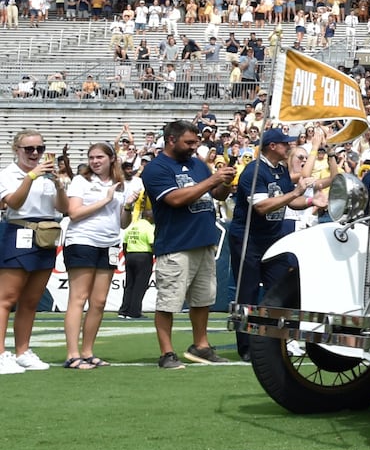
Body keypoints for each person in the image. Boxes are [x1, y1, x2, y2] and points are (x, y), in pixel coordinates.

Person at [143, 118, 236, 368]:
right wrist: (212, 180)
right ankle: (167, 352)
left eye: (196, 142)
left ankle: (201, 345)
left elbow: (217, 195)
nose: (195, 146)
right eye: (189, 142)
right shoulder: (156, 168)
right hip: (176, 243)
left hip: (203, 241)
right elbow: (175, 199)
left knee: (203, 299)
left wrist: (225, 182)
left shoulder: (197, 164)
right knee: (169, 302)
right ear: (171, 140)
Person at [228, 127, 315, 361]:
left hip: (272, 238)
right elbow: (262, 206)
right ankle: (246, 346)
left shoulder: (279, 169)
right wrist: (296, 192)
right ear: (272, 146)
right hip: (249, 238)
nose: (289, 147)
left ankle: (279, 340)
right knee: (247, 291)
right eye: (285, 144)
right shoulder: (253, 171)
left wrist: (309, 200)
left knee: (281, 287)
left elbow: (291, 201)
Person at [60, 142, 136, 369]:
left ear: (112, 159)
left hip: (110, 244)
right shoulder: (81, 181)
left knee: (99, 301)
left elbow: (123, 223)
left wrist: (129, 206)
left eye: (100, 157)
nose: (95, 161)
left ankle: (88, 351)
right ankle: (73, 354)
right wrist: (105, 199)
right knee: (78, 298)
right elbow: (73, 213)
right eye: (91, 157)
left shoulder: (119, 185)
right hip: (82, 241)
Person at [0, 130, 69, 374]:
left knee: (31, 301)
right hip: (19, 231)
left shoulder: (48, 175)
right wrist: (30, 176)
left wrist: (59, 185)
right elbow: (14, 203)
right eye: (29, 149)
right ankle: (0, 353)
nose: (35, 153)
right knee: (6, 298)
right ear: (16, 150)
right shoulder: (8, 174)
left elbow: (64, 208)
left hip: (46, 233)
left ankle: (23, 351)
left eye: (39, 148)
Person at [118, 204, 156, 319]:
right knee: (140, 286)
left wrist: (127, 255)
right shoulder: (149, 227)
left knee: (129, 284)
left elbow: (124, 243)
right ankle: (134, 312)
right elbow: (152, 243)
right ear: (149, 217)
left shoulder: (132, 226)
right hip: (144, 256)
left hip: (130, 256)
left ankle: (124, 310)